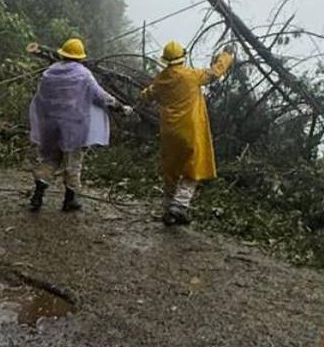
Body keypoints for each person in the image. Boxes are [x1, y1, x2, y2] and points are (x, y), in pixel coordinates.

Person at [28, 38, 131, 212]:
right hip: (73, 127)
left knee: (50, 159)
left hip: (49, 125)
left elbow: (39, 98)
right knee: (73, 162)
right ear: (80, 57)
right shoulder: (83, 75)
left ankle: (37, 195)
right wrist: (120, 107)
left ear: (62, 54)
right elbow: (101, 96)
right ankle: (69, 201)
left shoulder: (49, 72)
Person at [140, 41, 234, 226]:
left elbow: (147, 95)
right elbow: (215, 73)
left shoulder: (161, 79)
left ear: (166, 60)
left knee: (171, 170)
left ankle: (168, 210)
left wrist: (143, 95)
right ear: (182, 58)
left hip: (169, 131)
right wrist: (226, 55)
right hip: (190, 130)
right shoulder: (192, 76)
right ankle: (180, 206)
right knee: (193, 167)